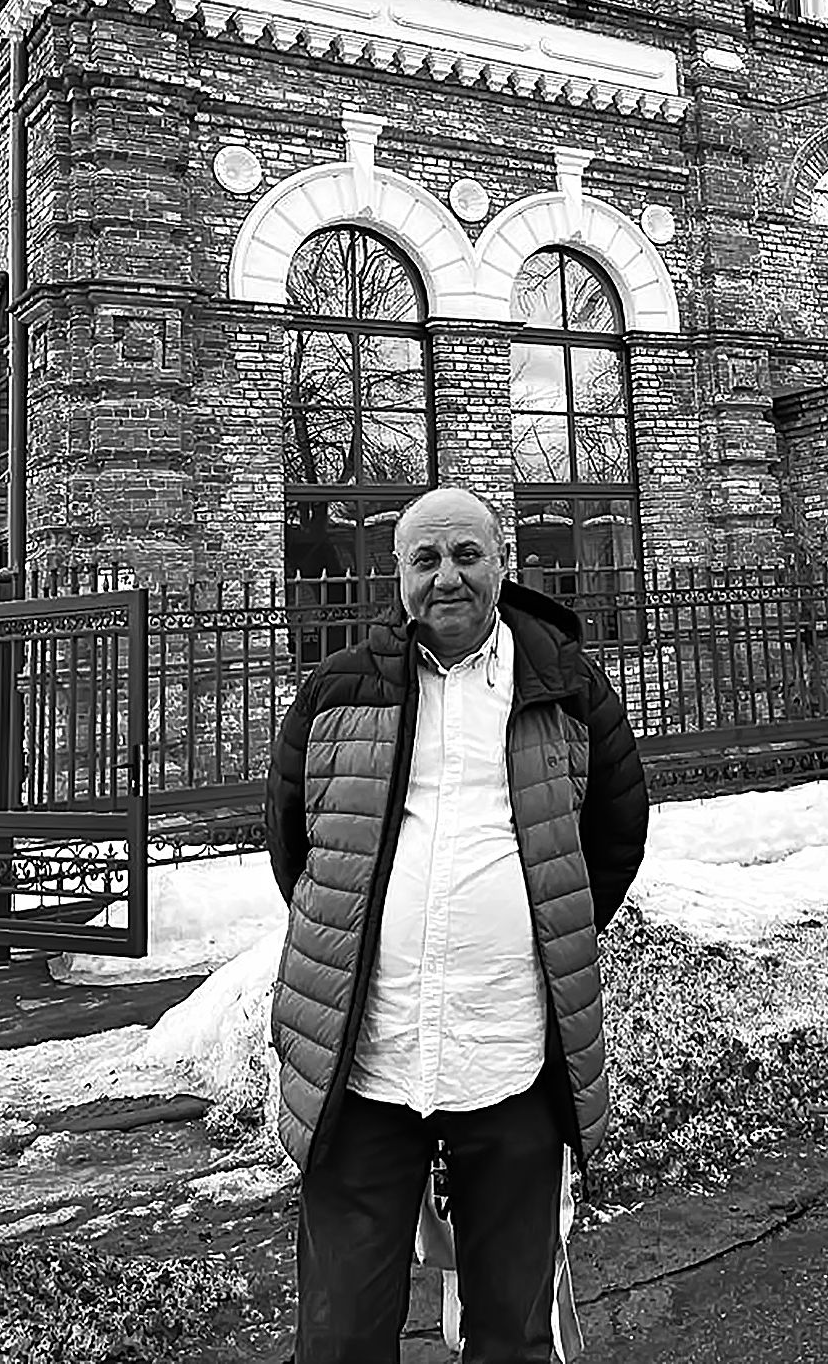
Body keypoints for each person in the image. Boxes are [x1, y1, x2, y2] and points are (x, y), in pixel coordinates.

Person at [265, 486, 649, 1364]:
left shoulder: (566, 687)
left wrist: (536, 929)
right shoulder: (339, 690)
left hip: (510, 1053)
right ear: (397, 575)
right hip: (365, 1059)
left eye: (468, 555)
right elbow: (297, 846)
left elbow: (614, 835)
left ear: (502, 563)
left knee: (511, 1333)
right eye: (426, 559)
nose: (448, 577)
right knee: (340, 1336)